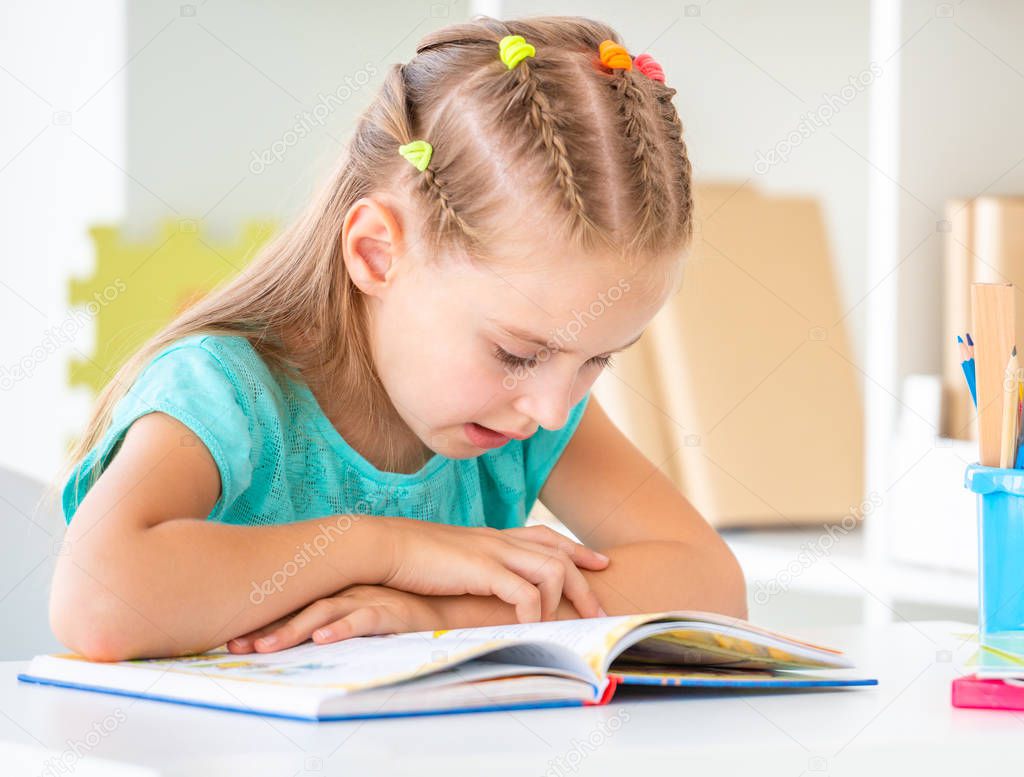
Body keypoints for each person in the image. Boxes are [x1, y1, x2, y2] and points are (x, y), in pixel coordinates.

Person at [50, 16, 746, 662]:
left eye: (597, 358)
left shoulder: (521, 410)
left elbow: (710, 582)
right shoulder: (226, 390)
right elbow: (96, 600)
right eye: (515, 353)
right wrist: (385, 548)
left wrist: (445, 609)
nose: (554, 408)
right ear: (378, 253)